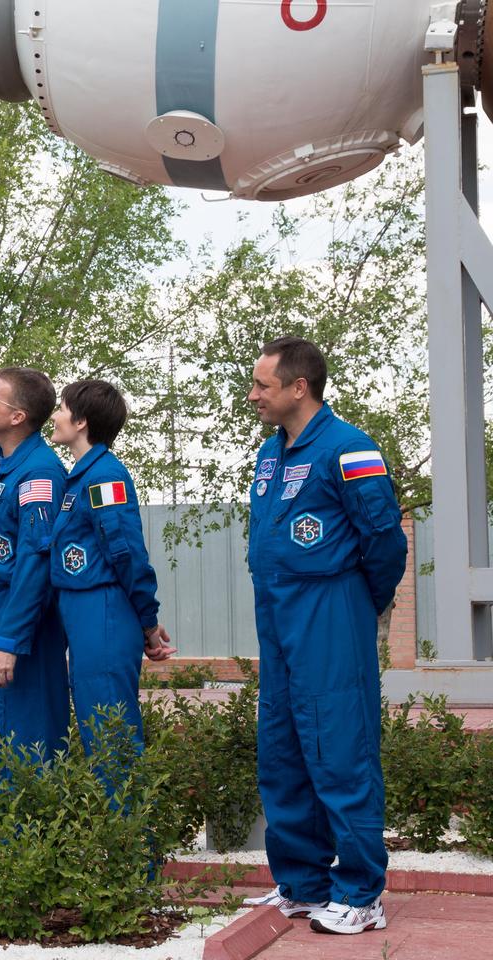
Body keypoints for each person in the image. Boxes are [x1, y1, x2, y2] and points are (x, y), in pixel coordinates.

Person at [241, 337, 407, 936]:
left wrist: (365, 602)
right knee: (282, 746)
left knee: (339, 745)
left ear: (298, 388)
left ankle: (362, 892)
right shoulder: (270, 452)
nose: (253, 394)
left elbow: (385, 539)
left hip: (330, 610)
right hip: (278, 612)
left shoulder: (350, 448)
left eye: (262, 385)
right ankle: (303, 885)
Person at [46, 380, 174, 759]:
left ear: (82, 421)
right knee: (94, 727)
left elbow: (126, 552)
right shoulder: (81, 477)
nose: (55, 416)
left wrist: (148, 623)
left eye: (62, 408)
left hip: (102, 611)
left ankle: (128, 818)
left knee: (109, 734)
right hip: (82, 611)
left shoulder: (105, 478)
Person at [0, 367, 70, 763]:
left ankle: (29, 828)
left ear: (17, 417)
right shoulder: (1, 466)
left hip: (26, 627)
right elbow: (0, 549)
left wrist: (10, 641)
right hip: (0, 614)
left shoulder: (39, 473)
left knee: (27, 744)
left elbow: (35, 562)